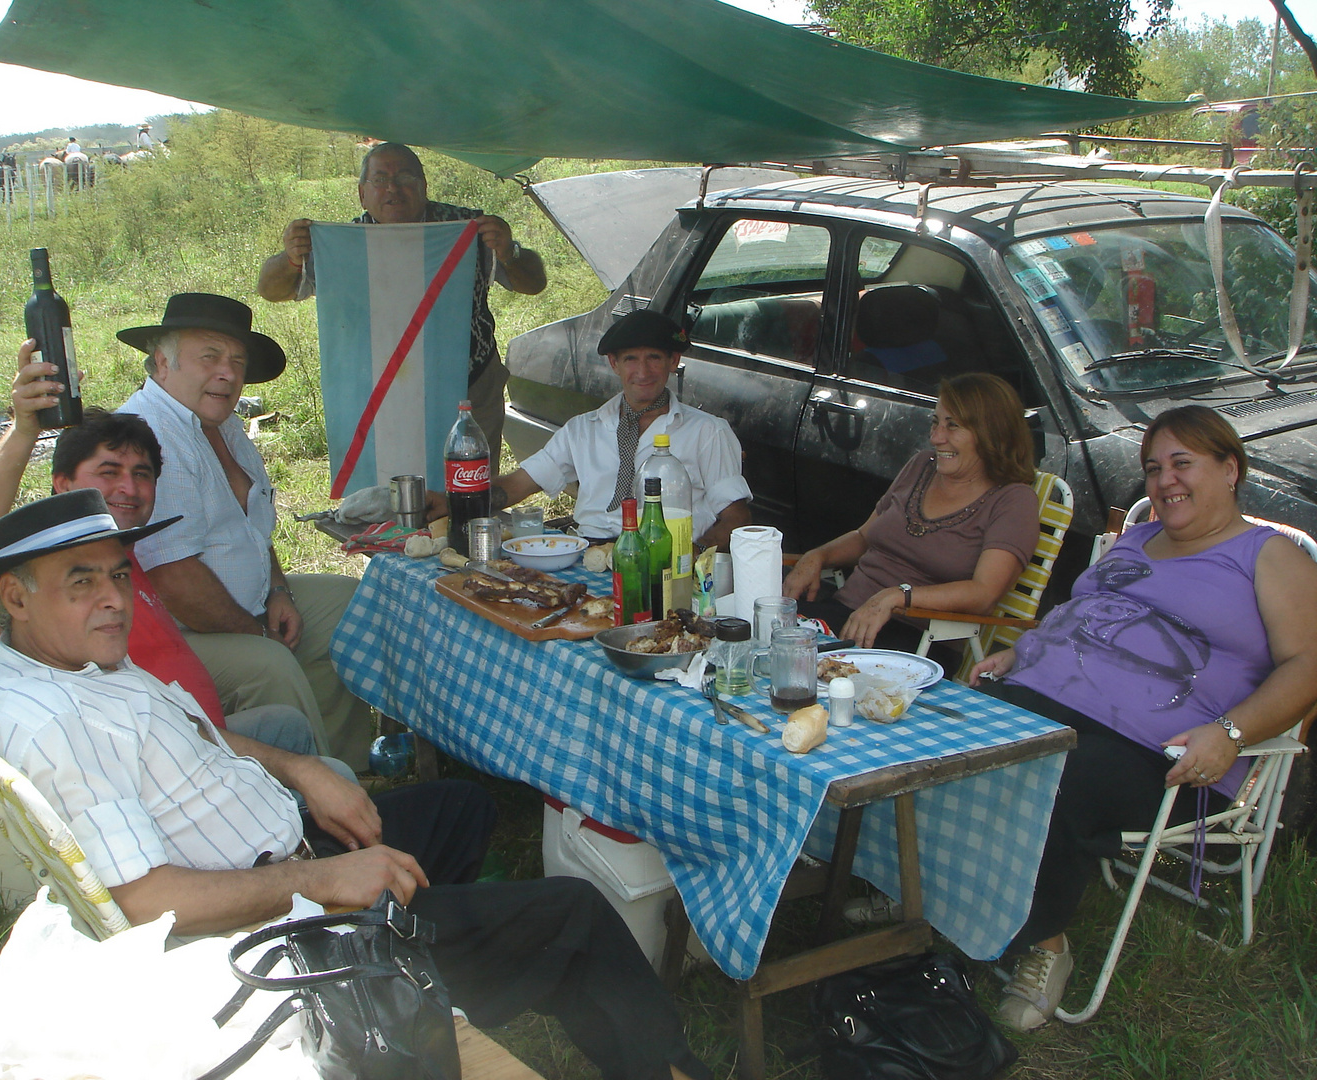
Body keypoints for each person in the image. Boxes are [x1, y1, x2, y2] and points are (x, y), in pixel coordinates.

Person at [0, 490, 711, 1080]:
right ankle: (651, 1062)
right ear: (14, 596)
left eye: (115, 575)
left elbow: (200, 736)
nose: (113, 598)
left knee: (461, 807)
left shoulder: (77, 663)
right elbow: (145, 902)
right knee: (572, 913)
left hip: (286, 848)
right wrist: (330, 876)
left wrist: (303, 769)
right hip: (274, 925)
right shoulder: (53, 723)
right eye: (82, 582)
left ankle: (433, 966)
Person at [967, 405, 1317, 1031]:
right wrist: (1020, 649)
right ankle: (928, 889)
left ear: (1230, 468)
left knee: (1051, 773)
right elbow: (1078, 612)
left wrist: (1232, 733)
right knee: (939, 738)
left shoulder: (1269, 557)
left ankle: (1045, 944)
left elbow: (1308, 666)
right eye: (1154, 468)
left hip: (1164, 751)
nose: (1165, 481)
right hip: (1047, 698)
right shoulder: (1134, 537)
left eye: (1183, 463)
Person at [0, 345, 322, 757]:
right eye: (108, 473)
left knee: (289, 731)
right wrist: (23, 431)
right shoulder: (41, 561)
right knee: (322, 774)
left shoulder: (123, 550)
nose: (129, 488)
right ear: (64, 482)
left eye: (142, 474)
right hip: (137, 761)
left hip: (197, 741)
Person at [119, 293, 374, 768]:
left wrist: (279, 591)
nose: (228, 373)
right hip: (176, 630)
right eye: (210, 357)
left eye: (237, 361)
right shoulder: (147, 435)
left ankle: (350, 765)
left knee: (347, 604)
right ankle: (312, 799)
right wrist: (256, 633)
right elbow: (173, 579)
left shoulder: (223, 425)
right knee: (269, 664)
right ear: (162, 363)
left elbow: (254, 531)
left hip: (245, 604)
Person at [257, 141, 547, 455]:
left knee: (468, 488)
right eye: (380, 180)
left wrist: (509, 253)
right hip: (380, 390)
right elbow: (271, 290)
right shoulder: (344, 244)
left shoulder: (469, 230)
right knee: (389, 487)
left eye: (405, 178)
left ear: (423, 186)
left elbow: (533, 284)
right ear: (362, 194)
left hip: (470, 385)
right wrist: (291, 257)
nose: (393, 188)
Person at [428, 309, 753, 549]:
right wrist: (454, 502)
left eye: (654, 358)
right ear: (614, 364)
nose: (642, 371)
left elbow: (736, 518)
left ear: (673, 361)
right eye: (630, 360)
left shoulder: (708, 432)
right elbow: (518, 484)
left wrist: (692, 555)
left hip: (664, 561)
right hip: (588, 556)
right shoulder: (583, 429)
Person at [783, 373, 1039, 652]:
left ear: (992, 433)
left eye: (952, 426)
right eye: (935, 422)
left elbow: (984, 593)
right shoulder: (921, 466)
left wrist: (897, 597)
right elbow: (863, 537)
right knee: (757, 631)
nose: (936, 437)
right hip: (843, 613)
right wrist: (817, 556)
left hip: (913, 640)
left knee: (786, 661)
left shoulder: (1013, 501)